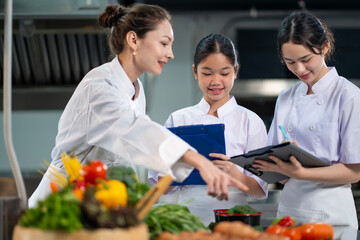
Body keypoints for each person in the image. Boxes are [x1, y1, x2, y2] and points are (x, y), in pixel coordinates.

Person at [28, 4, 247, 208]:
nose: (170, 53)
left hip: (95, 203)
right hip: (61, 203)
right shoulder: (100, 87)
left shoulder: (135, 89)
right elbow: (133, 130)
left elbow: (129, 150)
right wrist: (198, 159)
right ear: (133, 39)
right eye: (164, 43)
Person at [253, 11, 360, 232]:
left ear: (324, 47)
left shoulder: (348, 96)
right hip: (289, 212)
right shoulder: (286, 98)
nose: (299, 70)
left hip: (331, 216)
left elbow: (354, 171)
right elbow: (274, 164)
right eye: (290, 62)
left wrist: (301, 173)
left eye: (305, 60)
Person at [149, 34, 268, 225]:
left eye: (224, 73)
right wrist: (180, 166)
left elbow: (260, 191)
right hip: (187, 222)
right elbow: (160, 187)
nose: (215, 81)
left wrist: (234, 174)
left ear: (235, 71)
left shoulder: (250, 121)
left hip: (234, 223)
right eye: (207, 73)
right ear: (195, 72)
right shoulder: (178, 120)